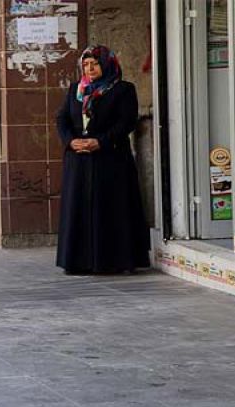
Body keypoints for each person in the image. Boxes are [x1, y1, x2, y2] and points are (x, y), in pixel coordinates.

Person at [56, 45, 150, 275]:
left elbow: (126, 122)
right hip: (79, 161)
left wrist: (100, 142)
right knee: (79, 209)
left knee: (111, 209)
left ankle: (114, 261)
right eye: (86, 65)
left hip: (111, 161)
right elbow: (62, 118)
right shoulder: (76, 90)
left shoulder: (123, 90)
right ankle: (79, 261)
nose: (90, 69)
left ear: (107, 64)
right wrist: (71, 141)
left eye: (95, 64)